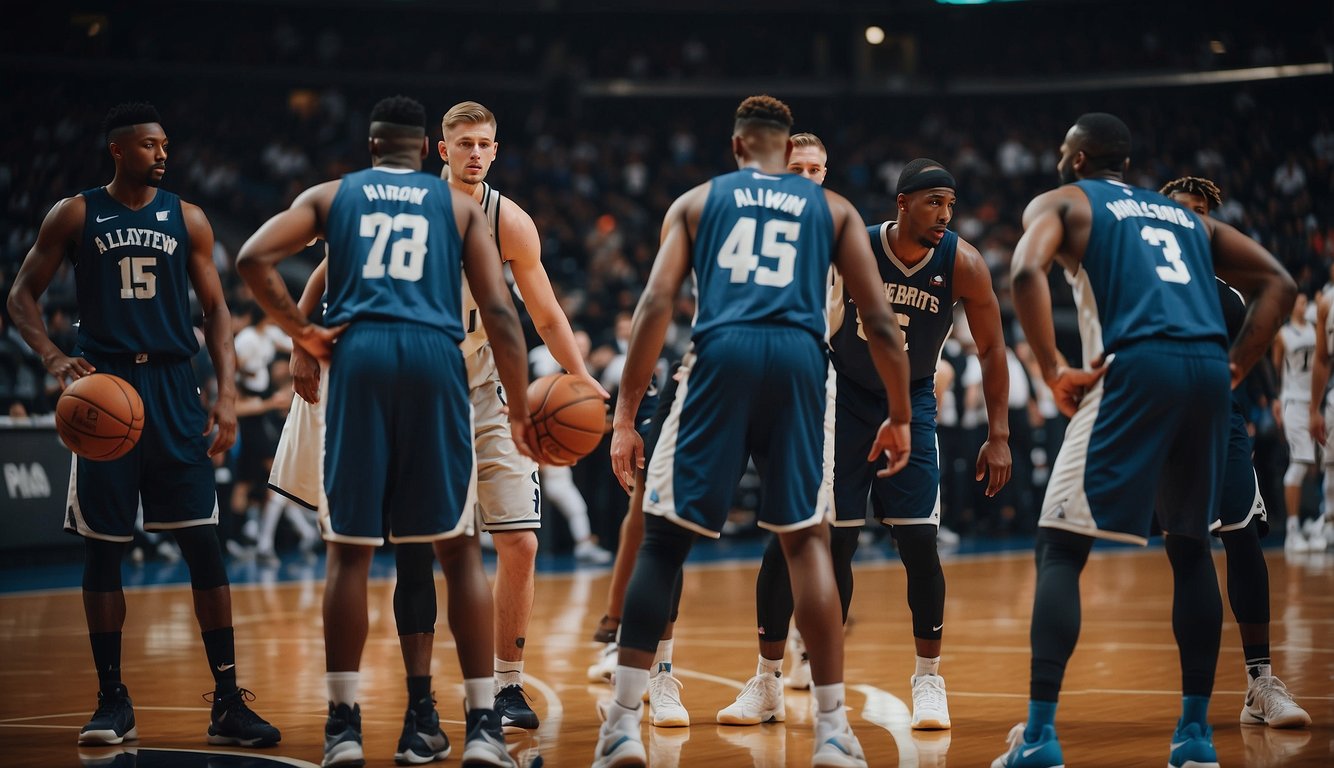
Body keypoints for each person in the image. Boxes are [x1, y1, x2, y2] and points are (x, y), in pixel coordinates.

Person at [596, 95, 913, 768]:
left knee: (663, 540)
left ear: (738, 147)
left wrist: (625, 417)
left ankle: (623, 723)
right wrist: (900, 413)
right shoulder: (832, 210)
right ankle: (832, 731)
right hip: (802, 359)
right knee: (806, 544)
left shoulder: (697, 201)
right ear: (783, 148)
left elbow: (655, 304)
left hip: (723, 351)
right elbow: (880, 323)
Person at [235, 95, 541, 768]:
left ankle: (344, 726)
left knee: (350, 553)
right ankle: (482, 725)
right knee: (457, 549)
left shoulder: (335, 196)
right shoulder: (459, 208)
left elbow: (253, 259)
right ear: (425, 148)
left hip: (362, 360)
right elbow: (499, 311)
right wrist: (520, 411)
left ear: (373, 147)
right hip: (435, 364)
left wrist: (301, 333)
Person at [992, 113, 1295, 768]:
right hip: (1208, 376)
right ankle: (1194, 738)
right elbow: (1282, 283)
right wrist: (1236, 365)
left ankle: (1040, 738)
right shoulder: (1187, 219)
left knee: (1061, 548)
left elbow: (1023, 273)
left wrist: (1051, 369)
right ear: (1124, 163)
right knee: (1191, 550)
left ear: (1075, 158)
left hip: (1135, 367)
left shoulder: (1065, 201)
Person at [6, 102, 280, 749]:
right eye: (150, 145)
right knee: (104, 548)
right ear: (119, 150)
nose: (163, 154)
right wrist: (51, 356)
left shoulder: (189, 218)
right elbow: (21, 295)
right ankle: (112, 701)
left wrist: (227, 396)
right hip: (103, 388)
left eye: (165, 145)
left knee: (204, 547)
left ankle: (227, 701)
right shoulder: (75, 213)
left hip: (172, 387)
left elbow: (215, 312)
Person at [723, 158, 1011, 731]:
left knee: (920, 547)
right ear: (901, 203)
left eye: (950, 205)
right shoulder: (854, 247)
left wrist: (997, 434)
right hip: (841, 397)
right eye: (933, 202)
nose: (944, 215)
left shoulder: (964, 264)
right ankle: (770, 678)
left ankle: (929, 681)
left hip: (914, 402)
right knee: (820, 542)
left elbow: (993, 350)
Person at [1159, 176, 1311, 730]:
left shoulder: (1230, 294)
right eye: (1183, 209)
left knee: (1243, 541)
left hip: (1220, 422)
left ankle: (1259, 683)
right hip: (1159, 426)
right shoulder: (1138, 279)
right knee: (1187, 553)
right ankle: (1193, 703)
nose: (1194, 219)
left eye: (1202, 211)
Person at [1271, 291, 1326, 551]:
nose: (1304, 305)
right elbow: (1274, 368)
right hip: (1293, 401)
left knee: (1326, 463)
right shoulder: (1283, 334)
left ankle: (1323, 522)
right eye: (1300, 301)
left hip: (1316, 401)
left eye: (1306, 301)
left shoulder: (1316, 330)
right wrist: (1277, 399)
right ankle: (1292, 530)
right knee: (1300, 464)